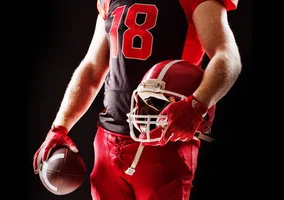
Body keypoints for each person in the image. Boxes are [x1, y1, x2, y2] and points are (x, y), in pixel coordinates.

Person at [32, 0, 241, 199]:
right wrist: (59, 126)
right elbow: (92, 68)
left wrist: (197, 104)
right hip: (108, 139)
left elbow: (227, 56)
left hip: (163, 140)